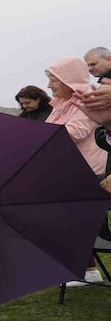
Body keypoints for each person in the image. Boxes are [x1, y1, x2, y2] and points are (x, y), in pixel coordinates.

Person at [45, 56, 107, 286]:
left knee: (77, 221)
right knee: (67, 221)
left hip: (86, 170)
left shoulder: (85, 99)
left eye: (54, 80)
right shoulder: (61, 104)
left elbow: (75, 132)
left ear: (67, 79)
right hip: (68, 169)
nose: (49, 85)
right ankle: (79, 268)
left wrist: (40, 136)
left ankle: (88, 271)